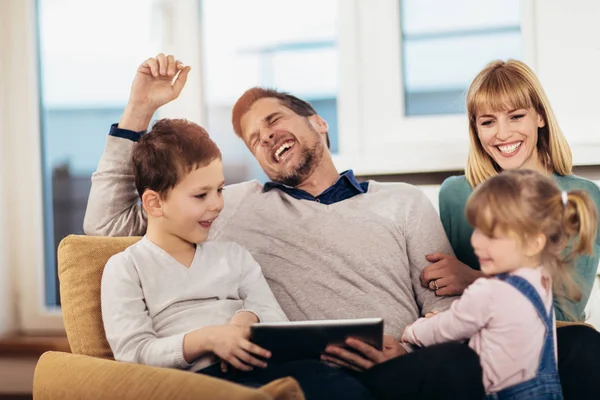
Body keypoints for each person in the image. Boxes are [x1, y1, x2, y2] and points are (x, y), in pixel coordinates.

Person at [85, 54, 485, 399]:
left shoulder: (403, 201)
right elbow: (108, 225)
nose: (267, 136)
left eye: (274, 120)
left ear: (318, 123)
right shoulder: (231, 204)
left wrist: (406, 350)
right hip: (300, 378)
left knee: (457, 364)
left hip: (392, 367)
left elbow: (444, 309)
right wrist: (139, 109)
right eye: (254, 139)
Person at [100, 118, 373, 400]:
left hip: (265, 366)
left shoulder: (233, 256)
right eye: (200, 195)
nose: (217, 204)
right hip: (195, 382)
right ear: (155, 203)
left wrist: (248, 317)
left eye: (219, 190)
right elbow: (134, 355)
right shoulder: (126, 267)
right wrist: (209, 339)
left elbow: (275, 320)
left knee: (341, 387)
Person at [421, 59, 600, 398]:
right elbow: (448, 295)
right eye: (488, 122)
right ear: (476, 130)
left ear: (540, 117)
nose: (502, 134)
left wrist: (470, 277)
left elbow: (564, 315)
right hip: (478, 342)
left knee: (584, 344)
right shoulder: (457, 194)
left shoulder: (580, 196)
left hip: (555, 341)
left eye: (516, 116)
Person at [404, 169, 597, 399]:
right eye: (477, 229)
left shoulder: (489, 291)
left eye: (492, 235)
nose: (476, 242)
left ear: (534, 243)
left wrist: (413, 332)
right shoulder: (540, 279)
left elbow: (446, 329)